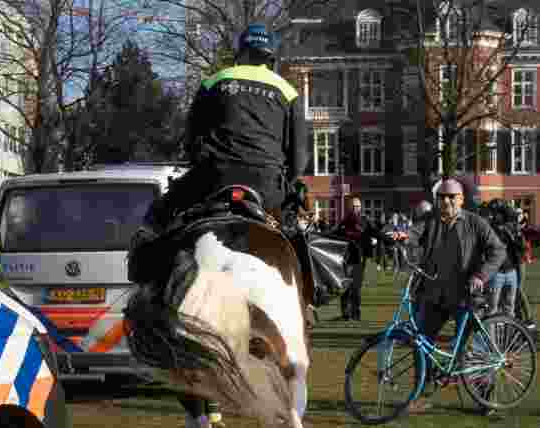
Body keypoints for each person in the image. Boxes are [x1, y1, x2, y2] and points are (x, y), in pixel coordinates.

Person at [144, 24, 306, 231]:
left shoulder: (214, 81)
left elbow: (192, 138)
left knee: (160, 221)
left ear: (240, 54)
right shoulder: (288, 92)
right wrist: (286, 183)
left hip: (214, 178)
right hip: (267, 185)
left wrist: (198, 163)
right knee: (297, 238)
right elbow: (298, 157)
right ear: (270, 59)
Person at [404, 178, 506, 341]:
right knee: (421, 342)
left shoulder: (475, 223)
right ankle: (425, 368)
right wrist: (402, 236)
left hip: (465, 295)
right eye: (441, 196)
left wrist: (481, 275)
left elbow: (498, 250)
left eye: (451, 196)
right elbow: (413, 233)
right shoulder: (430, 220)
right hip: (434, 295)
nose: (446, 200)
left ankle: (471, 363)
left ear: (461, 199)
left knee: (465, 347)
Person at [338, 196, 375, 321]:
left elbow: (375, 232)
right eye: (353, 206)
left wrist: (391, 240)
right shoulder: (345, 221)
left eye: (358, 206)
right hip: (347, 258)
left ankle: (356, 312)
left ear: (361, 207)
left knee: (357, 287)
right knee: (347, 286)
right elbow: (335, 233)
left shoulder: (365, 221)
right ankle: (346, 312)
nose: (355, 208)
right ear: (350, 207)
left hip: (360, 258)